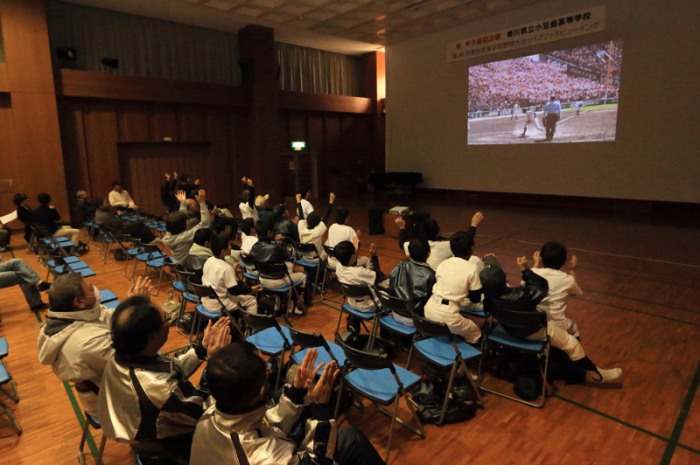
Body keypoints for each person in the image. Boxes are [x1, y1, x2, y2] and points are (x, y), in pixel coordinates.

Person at [191, 343, 385, 465]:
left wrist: (296, 392)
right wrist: (320, 409)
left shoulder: (207, 415)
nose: (268, 367)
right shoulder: (269, 458)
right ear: (260, 390)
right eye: (266, 369)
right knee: (353, 439)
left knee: (349, 437)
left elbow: (264, 423)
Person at [97, 298, 231, 459]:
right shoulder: (161, 390)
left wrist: (202, 348)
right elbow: (204, 413)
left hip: (139, 425)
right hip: (172, 447)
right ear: (152, 337)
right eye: (167, 318)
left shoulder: (126, 352)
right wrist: (215, 365)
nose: (170, 319)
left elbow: (172, 366)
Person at [480, 253, 622, 383]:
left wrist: (488, 259)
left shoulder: (487, 300)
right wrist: (526, 270)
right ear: (504, 279)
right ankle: (597, 375)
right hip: (532, 332)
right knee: (572, 344)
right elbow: (541, 287)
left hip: (509, 330)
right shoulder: (519, 297)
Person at [37, 275, 152, 415]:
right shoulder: (89, 343)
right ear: (79, 301)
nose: (96, 290)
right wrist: (142, 310)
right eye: (91, 289)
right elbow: (133, 359)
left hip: (105, 384)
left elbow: (107, 317)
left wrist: (131, 305)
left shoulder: (68, 316)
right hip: (112, 402)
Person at [423, 231, 483, 344]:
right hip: (449, 316)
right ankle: (463, 357)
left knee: (455, 324)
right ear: (472, 248)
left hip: (429, 310)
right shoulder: (472, 268)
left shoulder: (443, 264)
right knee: (475, 332)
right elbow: (475, 299)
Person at [249, 221, 308, 315]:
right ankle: (291, 305)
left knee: (287, 268)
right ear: (269, 232)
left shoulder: (254, 248)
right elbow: (288, 255)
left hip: (262, 280)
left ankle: (278, 303)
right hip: (277, 281)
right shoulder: (275, 248)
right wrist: (280, 242)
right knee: (302, 276)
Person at [396, 212, 484, 271]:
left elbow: (401, 244)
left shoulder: (416, 244)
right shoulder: (442, 246)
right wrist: (474, 224)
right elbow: (464, 240)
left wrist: (402, 227)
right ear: (436, 232)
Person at [531, 241, 583, 338]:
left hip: (534, 322)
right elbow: (575, 292)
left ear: (541, 258)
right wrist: (572, 270)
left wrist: (535, 264)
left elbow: (527, 278)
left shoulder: (532, 273)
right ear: (563, 261)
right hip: (557, 325)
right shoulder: (567, 279)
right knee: (574, 328)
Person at [202, 234, 261, 315]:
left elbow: (219, 278)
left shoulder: (209, 260)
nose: (230, 247)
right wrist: (251, 289)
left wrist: (232, 270)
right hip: (218, 304)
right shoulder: (226, 268)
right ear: (223, 251)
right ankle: (250, 327)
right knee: (252, 300)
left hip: (205, 300)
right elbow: (234, 291)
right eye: (229, 245)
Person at [388, 238, 436, 323]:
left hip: (395, 313)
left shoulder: (401, 264)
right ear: (428, 253)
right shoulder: (431, 275)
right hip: (416, 319)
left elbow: (391, 284)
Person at [334, 238, 383, 315]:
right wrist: (374, 256)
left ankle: (354, 320)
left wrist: (355, 252)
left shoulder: (338, 267)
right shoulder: (360, 272)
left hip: (352, 304)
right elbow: (378, 276)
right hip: (370, 306)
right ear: (352, 256)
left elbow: (351, 265)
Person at [162, 190, 211, 264]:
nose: (188, 221)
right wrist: (202, 203)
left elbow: (180, 217)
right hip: (190, 266)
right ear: (182, 225)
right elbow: (205, 224)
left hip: (179, 264)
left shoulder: (168, 235)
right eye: (186, 221)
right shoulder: (184, 237)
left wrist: (183, 203)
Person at [297, 192, 335, 262]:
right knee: (329, 241)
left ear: (307, 222)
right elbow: (326, 217)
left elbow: (301, 217)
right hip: (316, 259)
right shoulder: (317, 231)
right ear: (318, 224)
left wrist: (298, 201)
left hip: (304, 258)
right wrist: (331, 201)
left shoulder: (301, 230)